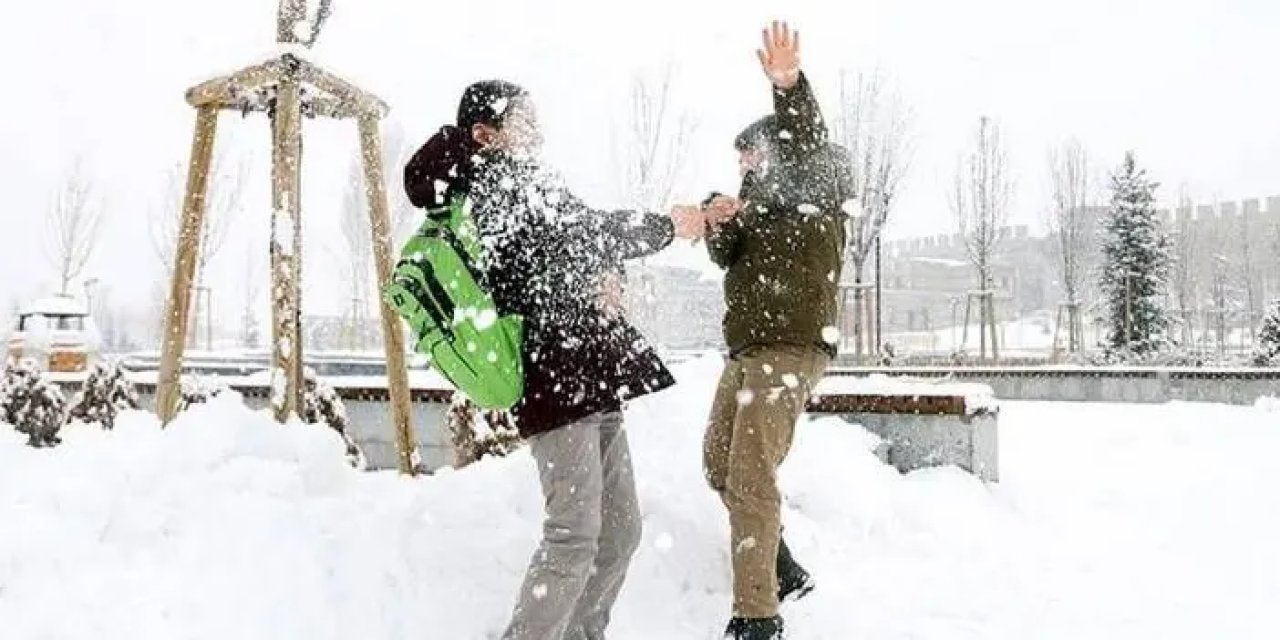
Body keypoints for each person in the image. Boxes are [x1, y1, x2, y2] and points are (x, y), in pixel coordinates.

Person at [404, 80, 707, 640]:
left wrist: (599, 276)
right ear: (486, 134)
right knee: (573, 533)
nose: (538, 131)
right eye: (525, 120)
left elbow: (570, 249)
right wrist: (667, 225)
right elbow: (581, 236)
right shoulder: (491, 187)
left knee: (621, 532)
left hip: (589, 370)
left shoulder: (529, 182)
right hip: (552, 378)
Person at [700, 22, 851, 640]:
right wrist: (717, 216)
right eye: (740, 161)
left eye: (751, 155)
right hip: (747, 352)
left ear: (778, 149)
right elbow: (725, 255)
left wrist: (787, 84)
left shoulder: (815, 182)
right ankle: (781, 566)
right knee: (718, 465)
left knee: (750, 476)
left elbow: (807, 136)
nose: (745, 166)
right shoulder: (755, 206)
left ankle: (757, 616)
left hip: (789, 349)